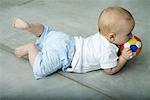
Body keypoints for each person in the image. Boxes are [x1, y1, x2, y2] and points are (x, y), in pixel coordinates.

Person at [13, 6, 136, 80]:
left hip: (66, 39)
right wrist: (123, 58)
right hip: (66, 55)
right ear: (112, 37)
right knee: (41, 69)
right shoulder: (107, 50)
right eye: (128, 33)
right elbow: (109, 70)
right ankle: (30, 48)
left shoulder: (102, 35)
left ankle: (30, 26)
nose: (132, 36)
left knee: (46, 33)